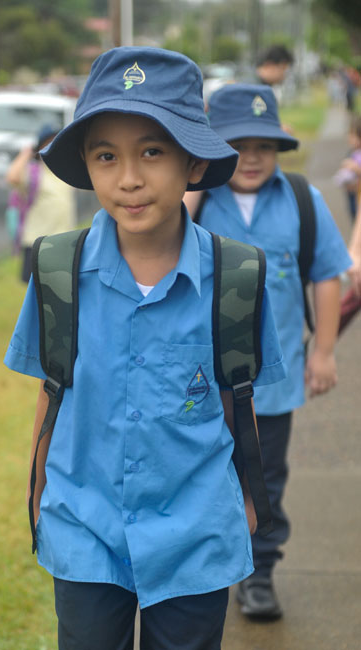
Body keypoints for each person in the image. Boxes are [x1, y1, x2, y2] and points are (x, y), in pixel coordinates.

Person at [4, 47, 285, 647]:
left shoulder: (237, 276)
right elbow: (52, 391)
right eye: (107, 156)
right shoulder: (57, 269)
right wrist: (37, 496)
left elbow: (241, 398)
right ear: (87, 163)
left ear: (191, 161)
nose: (129, 178)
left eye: (152, 151)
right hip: (85, 527)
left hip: (196, 534)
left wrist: (249, 497)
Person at [191, 83, 350, 621]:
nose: (251, 157)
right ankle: (202, 569)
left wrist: (324, 352)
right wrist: (188, 195)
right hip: (199, 382)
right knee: (201, 473)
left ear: (278, 149)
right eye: (237, 144)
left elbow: (328, 275)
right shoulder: (196, 205)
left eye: (264, 145)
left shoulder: (302, 200)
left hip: (271, 386)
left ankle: (258, 575)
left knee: (262, 480)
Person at [6, 125, 75, 281]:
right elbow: (12, 177)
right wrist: (26, 153)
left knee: (61, 286)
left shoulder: (65, 170)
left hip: (63, 241)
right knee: (36, 289)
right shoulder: (34, 172)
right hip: (37, 242)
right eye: (48, 143)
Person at [333, 116, 361, 219]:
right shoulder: (351, 153)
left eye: (352, 134)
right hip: (353, 198)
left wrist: (357, 169)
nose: (348, 137)